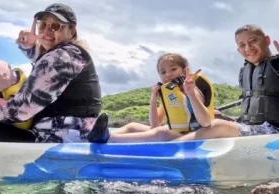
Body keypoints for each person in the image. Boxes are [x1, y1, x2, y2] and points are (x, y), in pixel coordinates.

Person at [0, 3, 103, 142]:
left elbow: (20, 111)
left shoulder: (62, 57)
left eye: (55, 26)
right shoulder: (69, 53)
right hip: (74, 129)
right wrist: (29, 44)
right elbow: (42, 61)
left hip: (54, 136)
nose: (47, 31)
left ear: (71, 31)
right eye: (43, 25)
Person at [171, 24, 279, 141]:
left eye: (253, 41)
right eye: (242, 45)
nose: (248, 48)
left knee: (217, 126)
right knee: (214, 117)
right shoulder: (245, 72)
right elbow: (251, 115)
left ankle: (171, 148)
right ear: (238, 50)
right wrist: (227, 118)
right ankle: (166, 141)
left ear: (266, 40)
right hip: (255, 132)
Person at [87, 53, 215, 143]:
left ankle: (108, 139)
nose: (168, 75)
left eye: (173, 69)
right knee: (132, 126)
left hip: (192, 135)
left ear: (184, 71)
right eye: (163, 72)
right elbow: (155, 125)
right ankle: (96, 136)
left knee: (161, 133)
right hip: (178, 132)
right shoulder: (170, 93)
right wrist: (154, 98)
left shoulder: (193, 89)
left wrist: (190, 93)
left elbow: (205, 122)